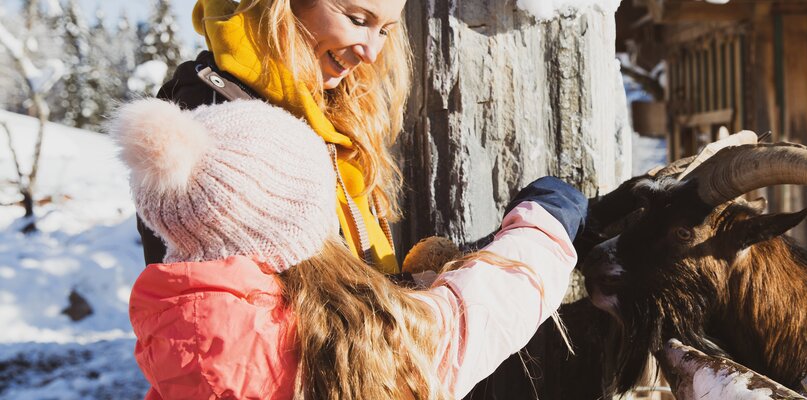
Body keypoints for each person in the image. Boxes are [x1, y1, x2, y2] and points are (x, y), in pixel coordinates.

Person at [111, 98, 586, 399]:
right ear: (302, 216)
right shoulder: (356, 349)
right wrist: (547, 216)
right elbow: (481, 309)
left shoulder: (177, 355)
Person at [142, 0, 415, 273]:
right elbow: (217, 303)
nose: (372, 54)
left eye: (385, 31)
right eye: (357, 20)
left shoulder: (333, 109)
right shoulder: (213, 113)